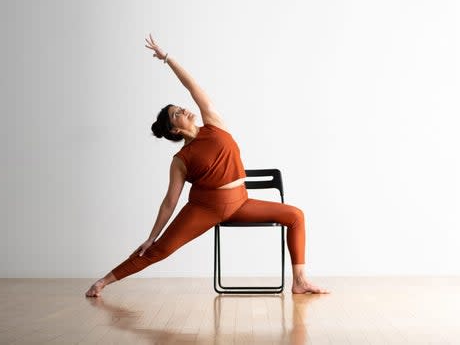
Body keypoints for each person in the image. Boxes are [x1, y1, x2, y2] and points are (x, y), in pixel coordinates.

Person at [85, 34, 328, 297]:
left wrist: (168, 59)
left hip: (239, 203)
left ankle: (300, 281)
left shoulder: (213, 123)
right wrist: (152, 235)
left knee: (295, 215)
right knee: (159, 250)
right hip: (205, 209)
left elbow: (193, 87)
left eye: (180, 107)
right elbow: (170, 202)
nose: (185, 110)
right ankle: (103, 282)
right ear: (176, 129)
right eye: (177, 113)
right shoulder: (180, 160)